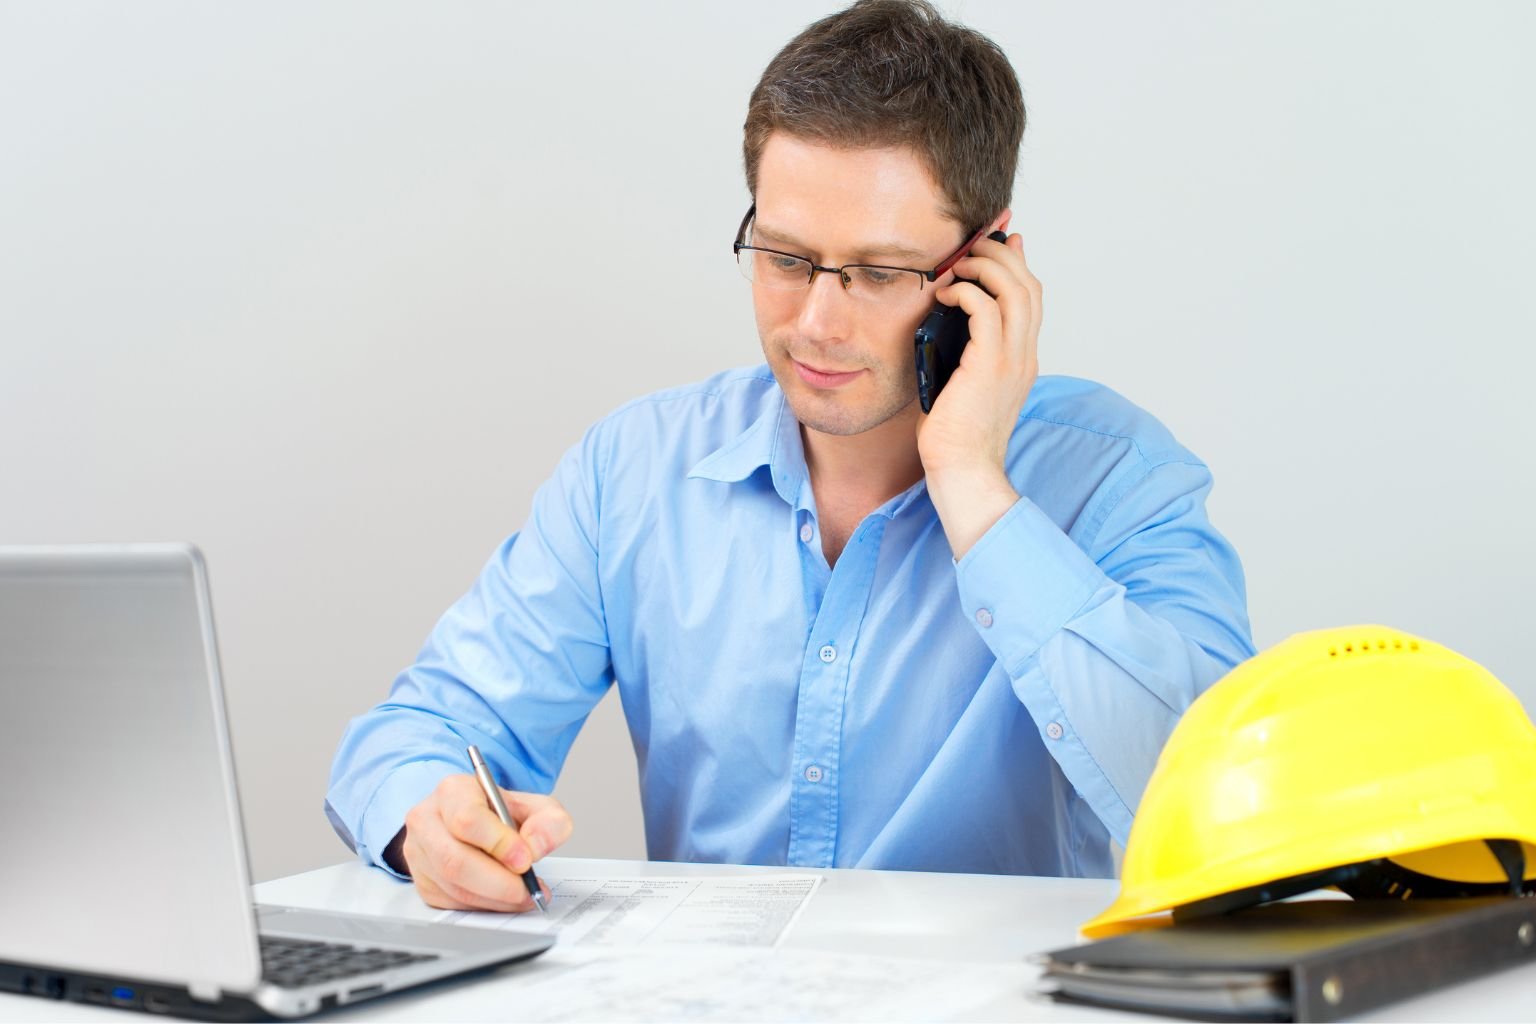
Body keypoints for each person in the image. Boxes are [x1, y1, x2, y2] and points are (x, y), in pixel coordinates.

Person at [325, 0, 1253, 914]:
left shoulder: (1117, 477)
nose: (815, 323)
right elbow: (417, 735)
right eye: (784, 256)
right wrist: (430, 826)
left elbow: (1219, 795)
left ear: (988, 263)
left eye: (880, 273)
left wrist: (973, 483)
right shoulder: (636, 471)